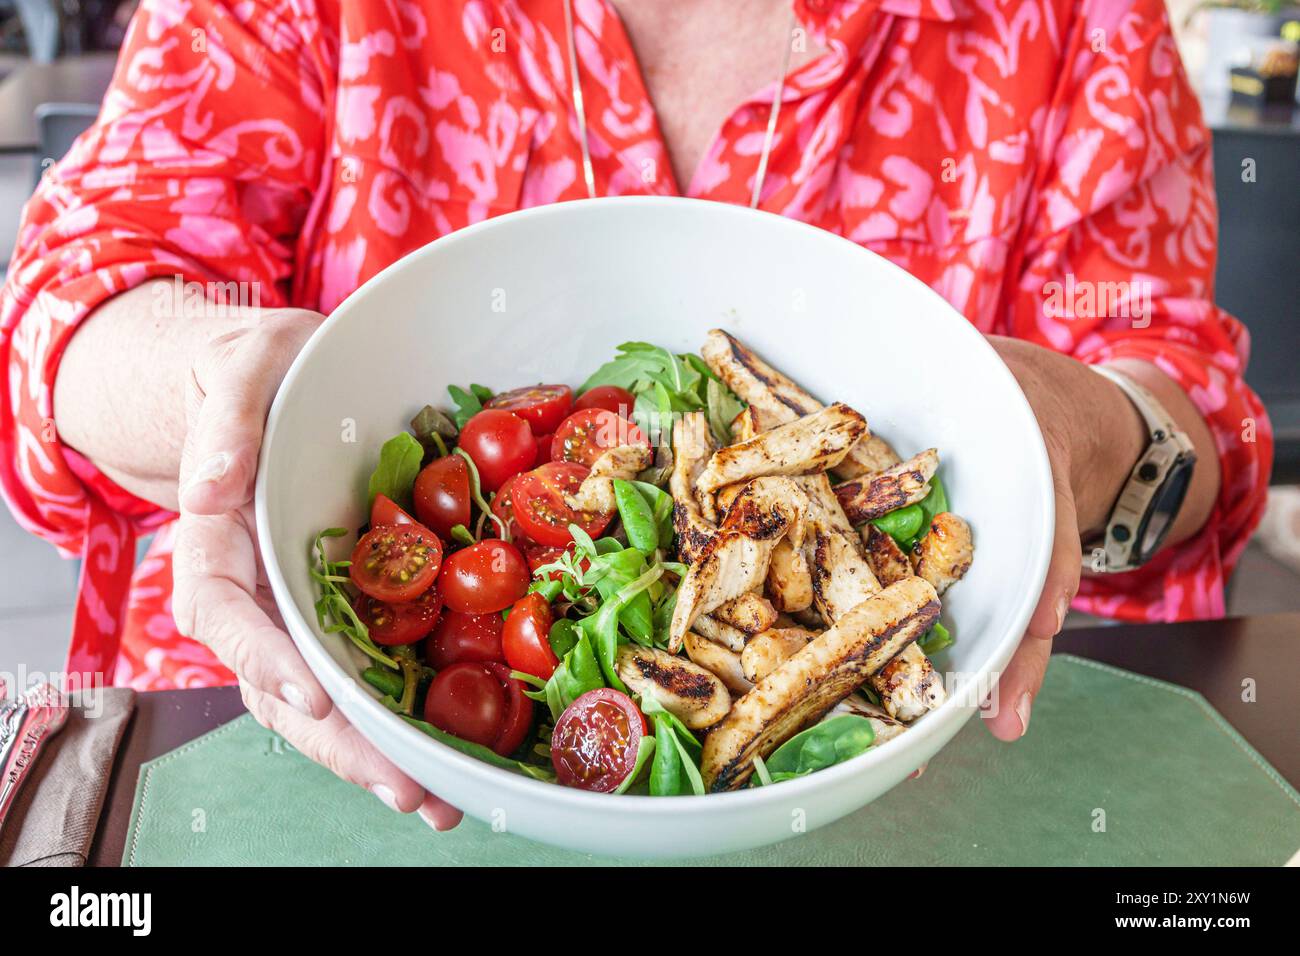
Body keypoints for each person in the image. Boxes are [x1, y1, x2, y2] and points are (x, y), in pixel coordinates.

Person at [0, 0, 1271, 830]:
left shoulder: (1076, 23)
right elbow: (66, 308)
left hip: (914, 815)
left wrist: (1085, 429)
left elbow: (1192, 417)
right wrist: (216, 380)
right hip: (290, 777)